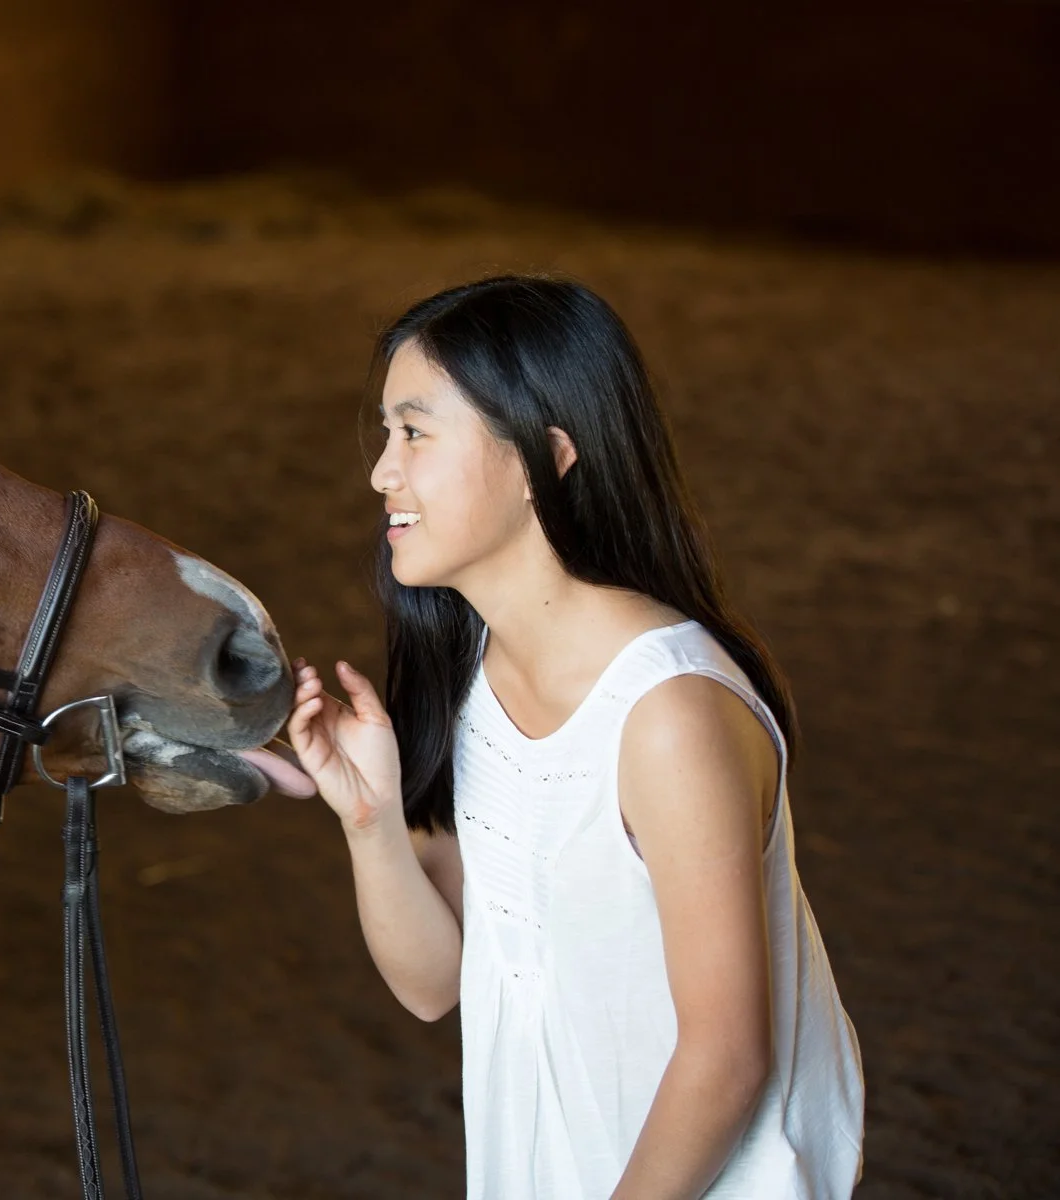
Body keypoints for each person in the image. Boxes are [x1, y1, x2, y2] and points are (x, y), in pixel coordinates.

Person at [287, 276, 863, 1198]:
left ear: (543, 456)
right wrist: (369, 819)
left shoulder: (668, 715)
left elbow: (726, 1058)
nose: (382, 472)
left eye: (416, 432)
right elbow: (435, 984)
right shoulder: (473, 671)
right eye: (388, 433)